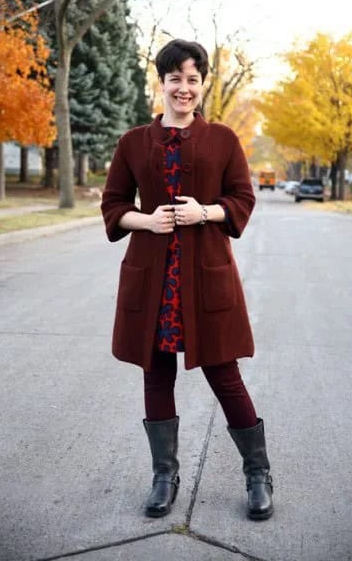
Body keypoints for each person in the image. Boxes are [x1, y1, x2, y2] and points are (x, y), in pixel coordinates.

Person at [101, 39, 274, 521]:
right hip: (152, 279)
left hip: (205, 278)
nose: (184, 88)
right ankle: (164, 476)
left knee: (225, 375)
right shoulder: (133, 142)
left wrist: (207, 211)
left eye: (192, 79)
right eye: (175, 78)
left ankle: (258, 474)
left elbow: (242, 198)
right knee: (156, 375)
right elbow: (113, 205)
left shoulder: (222, 139)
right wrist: (146, 220)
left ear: (203, 85)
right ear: (161, 83)